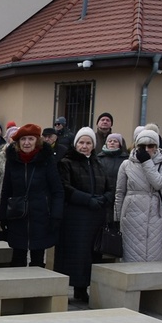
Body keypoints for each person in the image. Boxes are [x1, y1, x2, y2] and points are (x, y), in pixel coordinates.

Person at [54, 127, 113, 302]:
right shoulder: (66, 162)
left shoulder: (98, 163)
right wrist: (87, 199)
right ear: (76, 144)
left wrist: (105, 198)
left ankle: (84, 288)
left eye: (88, 143)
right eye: (81, 142)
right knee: (75, 254)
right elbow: (66, 187)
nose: (84, 146)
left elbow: (110, 186)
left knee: (91, 254)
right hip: (76, 216)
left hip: (96, 216)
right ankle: (71, 288)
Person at [0, 124, 64, 267]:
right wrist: (2, 215)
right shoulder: (13, 160)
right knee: (17, 258)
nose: (26, 143)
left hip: (41, 215)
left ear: (37, 141)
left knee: (38, 259)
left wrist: (56, 215)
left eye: (30, 139)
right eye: (23, 139)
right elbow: (6, 190)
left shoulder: (47, 160)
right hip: (17, 215)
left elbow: (57, 190)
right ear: (18, 142)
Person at [114, 130, 162, 262]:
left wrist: (146, 162)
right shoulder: (126, 164)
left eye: (150, 146)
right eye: (142, 146)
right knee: (130, 254)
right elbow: (119, 192)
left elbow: (159, 183)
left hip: (154, 214)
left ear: (156, 147)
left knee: (152, 254)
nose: (146, 149)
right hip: (131, 214)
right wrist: (116, 218)